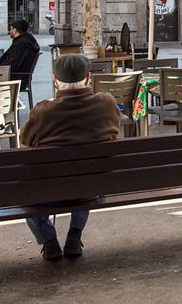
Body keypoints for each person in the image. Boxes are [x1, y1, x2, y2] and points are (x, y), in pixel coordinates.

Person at [20, 54, 119, 260]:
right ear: (89, 78)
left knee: (24, 190)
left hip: (51, 192)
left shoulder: (42, 111)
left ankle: (49, 241)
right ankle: (74, 235)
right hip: (92, 188)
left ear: (55, 80)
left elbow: (26, 139)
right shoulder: (107, 103)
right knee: (86, 173)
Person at [0, 18, 40, 89]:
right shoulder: (27, 40)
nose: (9, 31)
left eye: (10, 29)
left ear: (15, 30)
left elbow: (13, 64)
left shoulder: (20, 44)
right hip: (22, 77)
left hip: (15, 78)